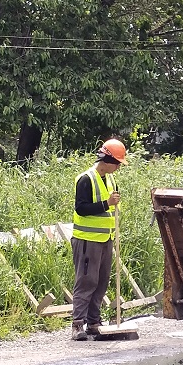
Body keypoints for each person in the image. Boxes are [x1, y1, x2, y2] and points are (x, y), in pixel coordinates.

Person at [71, 138, 127, 341]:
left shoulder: (111, 180)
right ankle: (78, 324)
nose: (119, 167)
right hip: (87, 240)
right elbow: (81, 208)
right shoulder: (86, 179)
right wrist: (106, 203)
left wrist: (112, 204)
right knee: (87, 281)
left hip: (105, 238)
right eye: (117, 163)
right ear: (107, 159)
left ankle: (94, 322)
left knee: (101, 281)